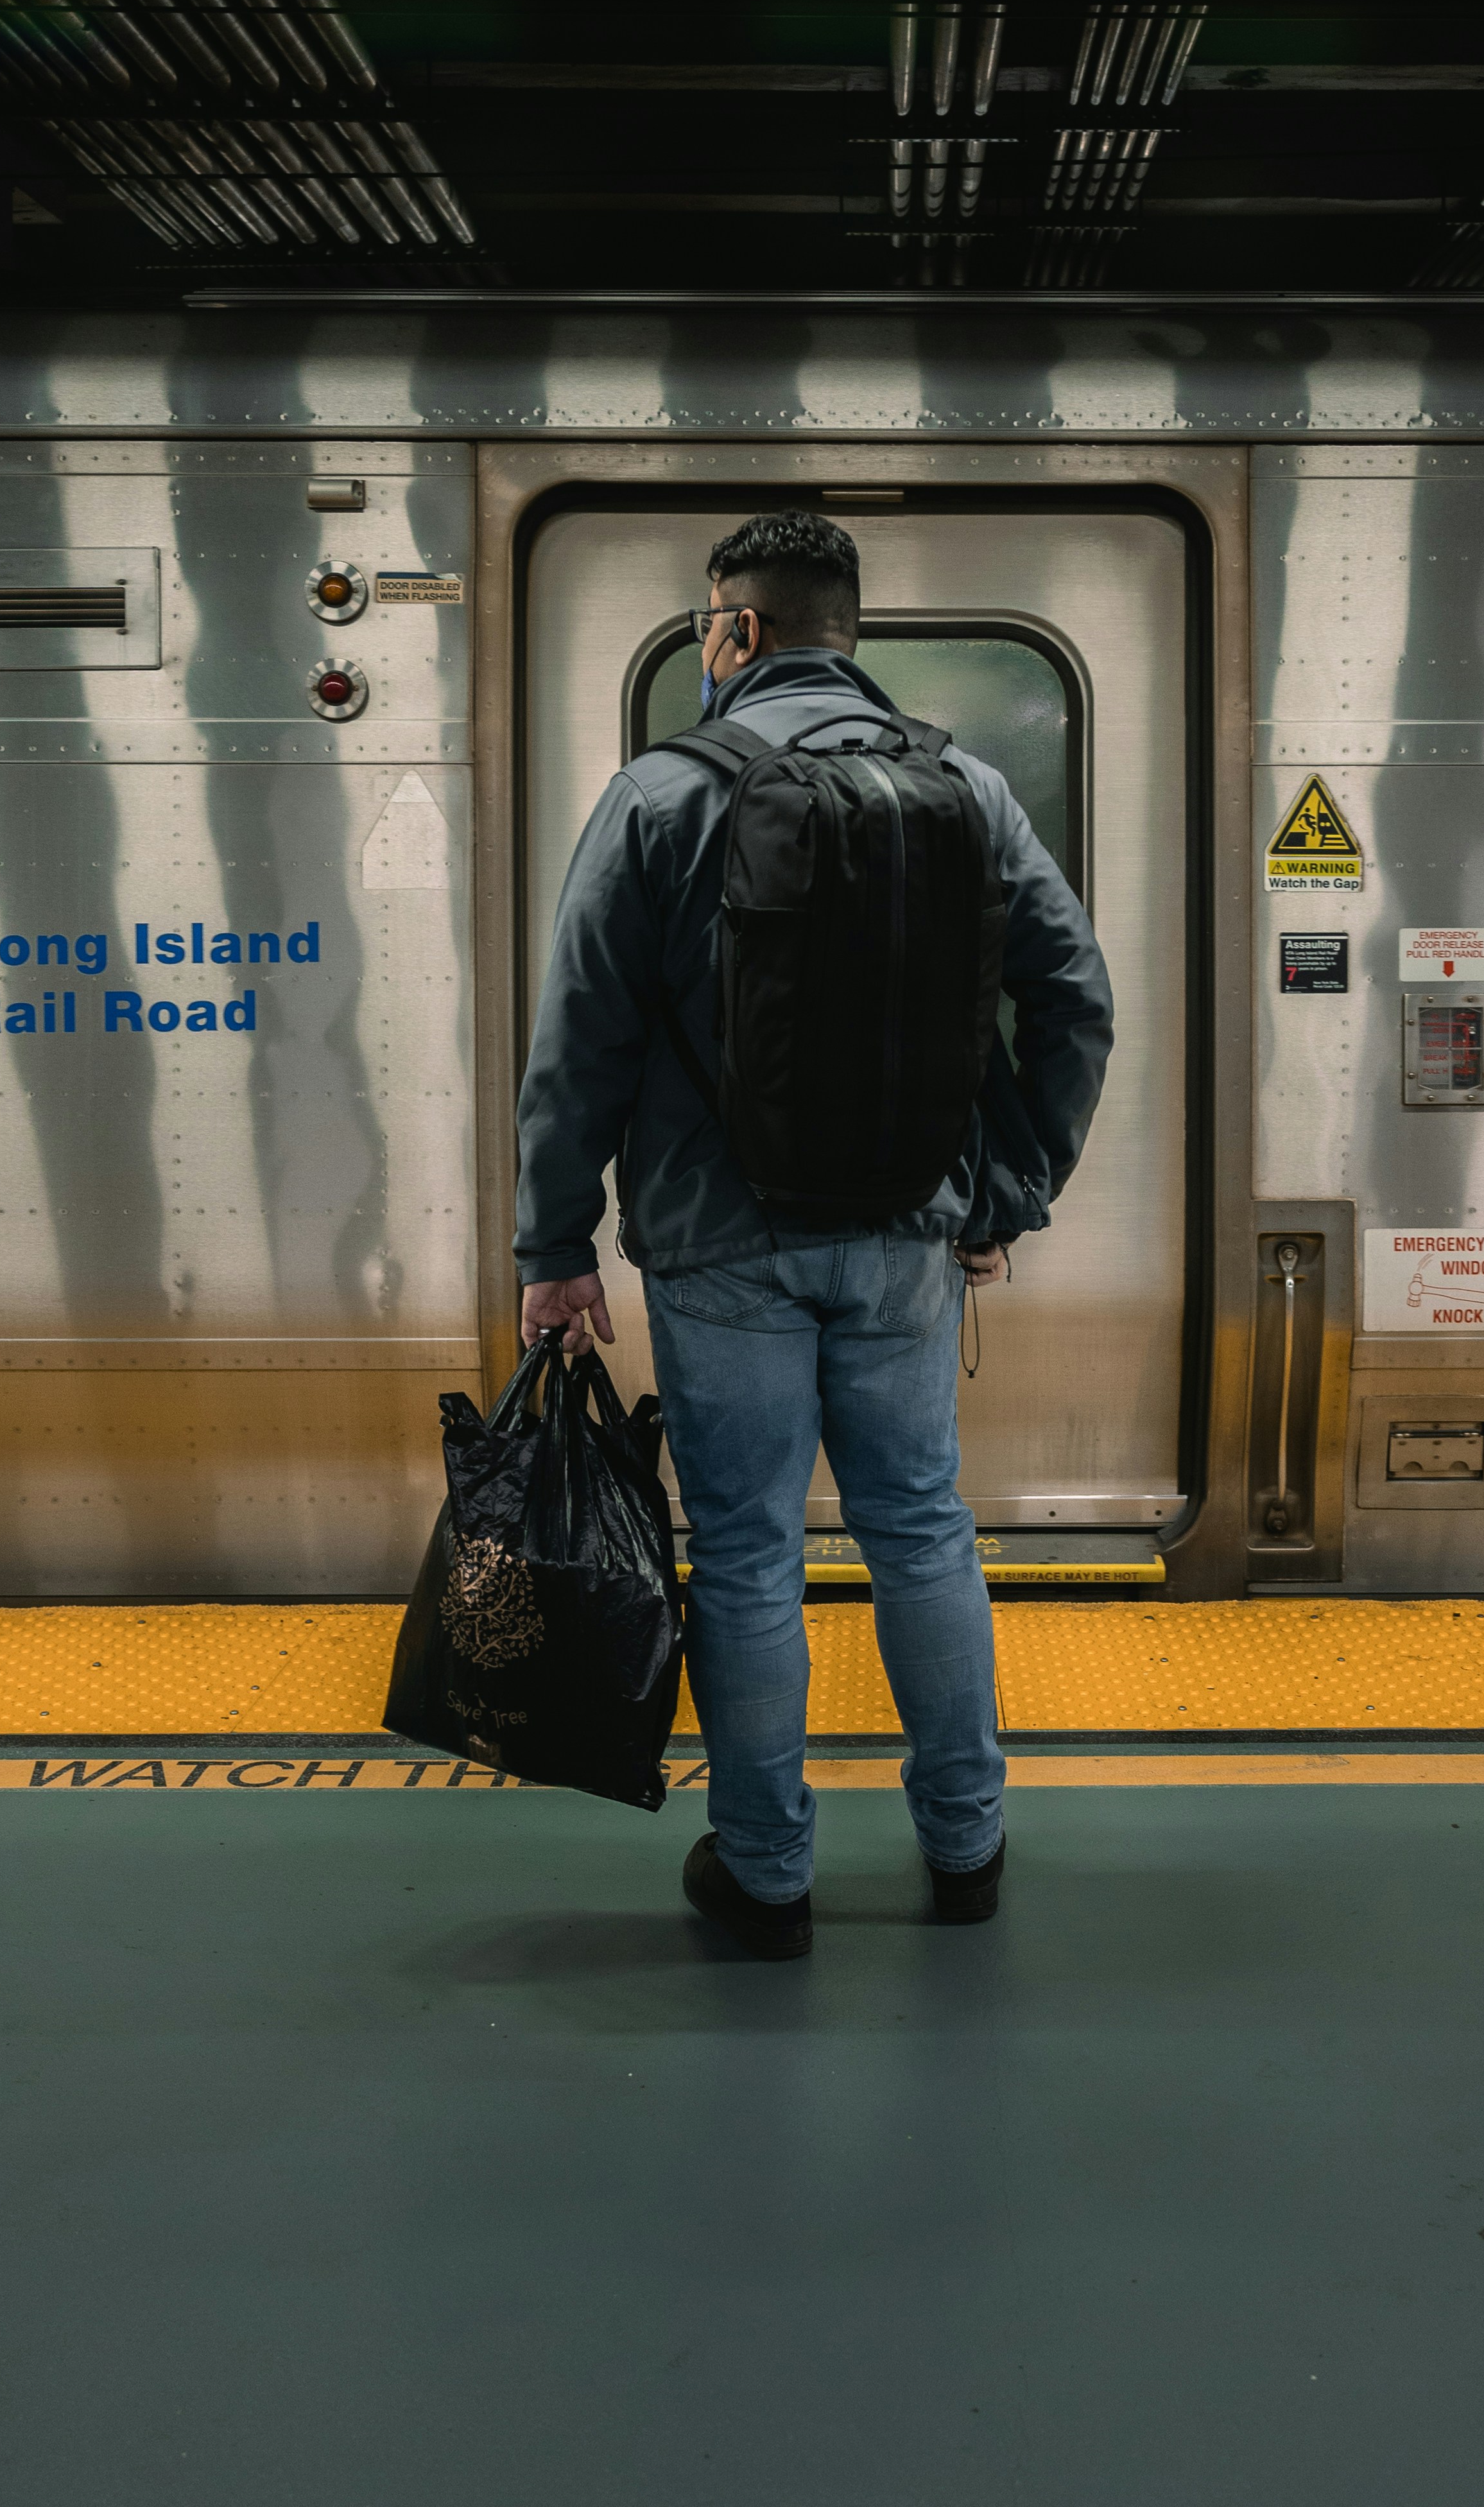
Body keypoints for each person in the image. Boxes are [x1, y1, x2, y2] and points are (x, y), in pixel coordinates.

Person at [515, 510, 1112, 1958]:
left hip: (719, 1239)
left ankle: (767, 1868)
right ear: (847, 631)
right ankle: (965, 1846)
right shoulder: (965, 787)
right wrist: (1003, 1189)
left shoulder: (660, 794)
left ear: (734, 630)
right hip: (908, 1227)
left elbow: (582, 1034)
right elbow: (1073, 998)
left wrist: (555, 1243)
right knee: (920, 1526)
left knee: (746, 1549)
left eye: (707, 625)